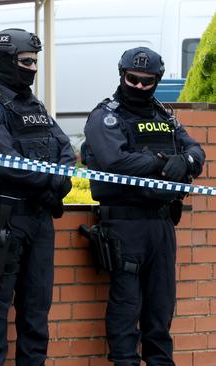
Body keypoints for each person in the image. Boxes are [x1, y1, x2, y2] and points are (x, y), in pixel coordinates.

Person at [81, 47, 205, 365]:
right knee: (126, 307)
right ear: (122, 75)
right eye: (131, 79)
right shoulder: (106, 115)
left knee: (160, 310)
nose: (137, 86)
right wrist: (165, 163)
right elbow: (114, 160)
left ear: (156, 81)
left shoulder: (164, 117)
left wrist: (185, 161)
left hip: (162, 224)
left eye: (145, 81)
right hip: (125, 225)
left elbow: (196, 151)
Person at [0, 28, 77, 365]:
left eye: (34, 61)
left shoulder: (35, 106)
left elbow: (66, 151)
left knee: (37, 305)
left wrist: (58, 182)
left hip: (40, 217)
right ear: (4, 61)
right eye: (26, 61)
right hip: (6, 217)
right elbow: (7, 164)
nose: (32, 68)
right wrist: (50, 183)